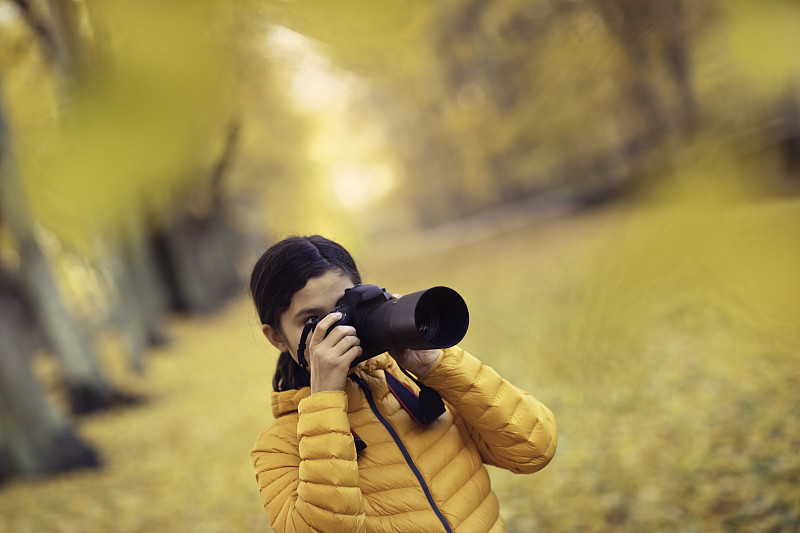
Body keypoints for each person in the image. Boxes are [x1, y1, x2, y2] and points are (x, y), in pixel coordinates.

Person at [249, 235, 557, 532]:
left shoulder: (418, 384)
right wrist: (325, 401)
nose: (341, 329)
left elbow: (534, 448)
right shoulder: (279, 446)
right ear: (276, 336)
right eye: (313, 321)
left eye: (344, 307)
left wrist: (437, 366)